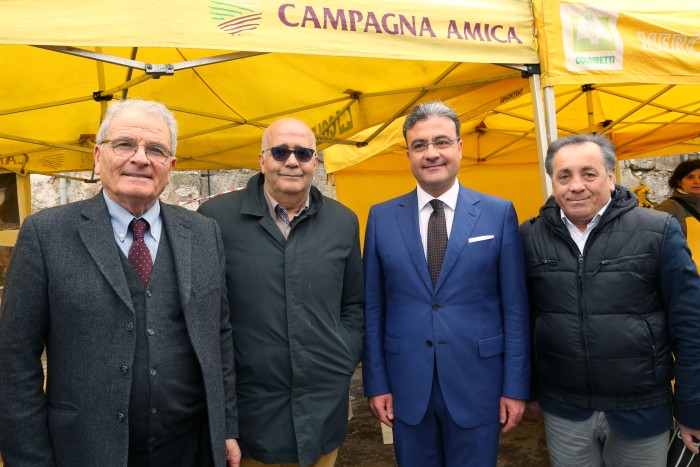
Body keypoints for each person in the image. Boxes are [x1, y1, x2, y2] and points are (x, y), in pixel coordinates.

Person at [0, 99, 241, 467]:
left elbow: (219, 337)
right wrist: (29, 459)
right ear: (99, 157)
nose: (140, 158)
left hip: (188, 449)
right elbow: (14, 359)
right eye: (125, 144)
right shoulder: (46, 234)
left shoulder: (204, 233)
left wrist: (225, 427)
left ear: (171, 166)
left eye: (156, 150)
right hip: (85, 451)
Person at [362, 101, 531, 467]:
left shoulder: (498, 213)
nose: (431, 153)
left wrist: (515, 387)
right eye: (419, 145)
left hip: (479, 382)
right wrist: (376, 383)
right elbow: (373, 309)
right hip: (406, 383)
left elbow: (515, 308)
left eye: (441, 141)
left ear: (459, 147)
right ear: (408, 154)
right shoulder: (381, 217)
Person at [520, 133, 700, 466]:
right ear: (552, 182)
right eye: (564, 176)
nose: (576, 185)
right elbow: (525, 320)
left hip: (641, 408)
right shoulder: (529, 236)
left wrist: (692, 408)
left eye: (588, 173)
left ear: (610, 176)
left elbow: (691, 325)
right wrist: (527, 391)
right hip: (564, 410)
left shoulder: (658, 230)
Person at [198, 118, 364, 467]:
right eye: (280, 152)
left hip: (322, 410)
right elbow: (204, 312)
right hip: (250, 416)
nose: (292, 161)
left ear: (315, 163)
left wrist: (342, 358)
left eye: (303, 153)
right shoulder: (215, 219)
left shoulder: (343, 221)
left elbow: (354, 304)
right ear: (262, 160)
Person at [656, 159, 700, 263]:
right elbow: (654, 241)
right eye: (690, 177)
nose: (697, 181)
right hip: (686, 270)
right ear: (679, 182)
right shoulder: (669, 207)